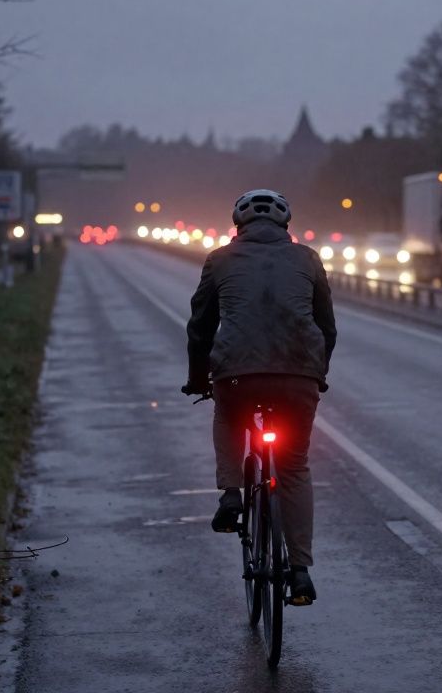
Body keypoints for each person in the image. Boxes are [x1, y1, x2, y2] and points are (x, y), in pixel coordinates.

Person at [183, 189, 336, 606]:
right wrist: (316, 373)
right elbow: (327, 328)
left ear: (238, 225)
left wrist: (199, 379)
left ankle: (231, 494)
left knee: (229, 418)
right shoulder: (308, 259)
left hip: (237, 375)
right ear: (286, 225)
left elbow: (199, 328)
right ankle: (300, 572)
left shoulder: (219, 260)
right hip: (298, 376)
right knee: (294, 466)